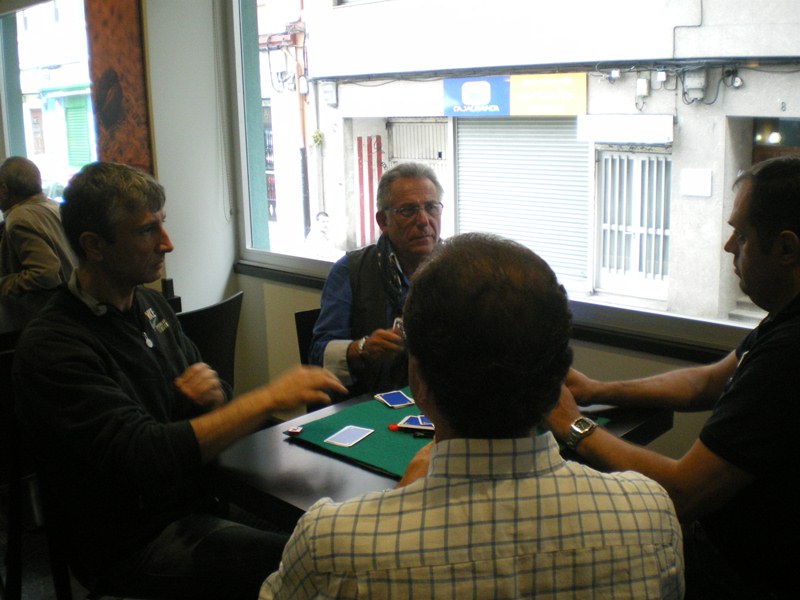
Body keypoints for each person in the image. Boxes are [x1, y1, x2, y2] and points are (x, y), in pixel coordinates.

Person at [261, 233, 684, 599]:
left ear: (419, 383)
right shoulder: (650, 513)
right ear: (558, 376)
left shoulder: (332, 544)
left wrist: (395, 505)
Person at [12, 161, 347, 600]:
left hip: (200, 499)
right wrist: (265, 398)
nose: (166, 243)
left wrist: (193, 404)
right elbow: (144, 456)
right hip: (132, 544)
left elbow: (214, 394)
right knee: (313, 563)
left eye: (162, 225)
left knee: (328, 532)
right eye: (147, 231)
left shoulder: (151, 307)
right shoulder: (55, 346)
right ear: (93, 245)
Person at [545, 156, 800, 600]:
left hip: (743, 573)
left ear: (785, 249)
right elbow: (707, 382)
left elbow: (684, 491)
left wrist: (572, 424)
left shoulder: (791, 352)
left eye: (740, 235)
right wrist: (596, 390)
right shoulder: (783, 319)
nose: (727, 248)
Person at [309, 162, 443, 397]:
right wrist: (361, 349)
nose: (423, 220)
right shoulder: (351, 271)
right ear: (383, 221)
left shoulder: (455, 269)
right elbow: (318, 354)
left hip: (441, 402)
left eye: (431, 207)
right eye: (409, 210)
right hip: (370, 404)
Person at [0, 156, 76, 296]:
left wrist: (3, 284)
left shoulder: (19, 218)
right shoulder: (55, 206)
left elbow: (45, 274)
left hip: (46, 313)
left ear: (4, 190)